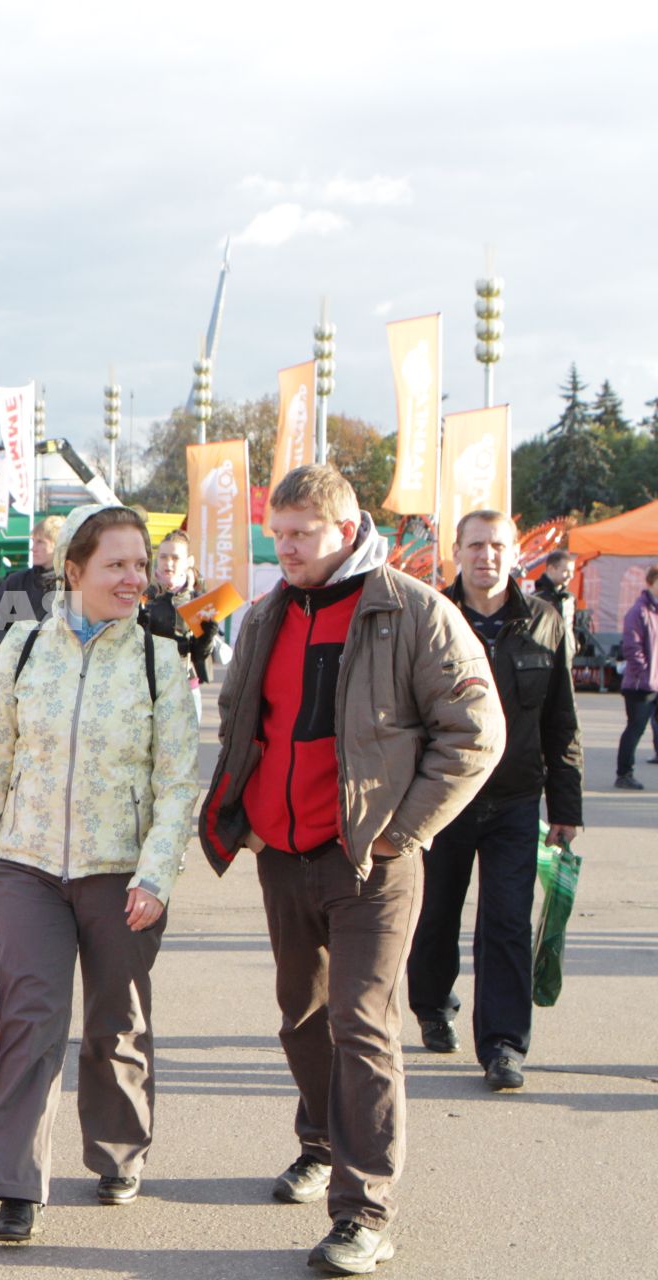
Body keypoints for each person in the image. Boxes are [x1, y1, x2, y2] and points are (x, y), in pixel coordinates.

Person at [199, 464, 502, 1276]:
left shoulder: (410, 609)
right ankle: (322, 1144)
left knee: (362, 1024)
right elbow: (240, 720)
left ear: (346, 528)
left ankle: (364, 1212)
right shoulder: (266, 613)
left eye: (300, 534)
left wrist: (407, 829)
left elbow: (475, 732)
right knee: (300, 1016)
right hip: (282, 856)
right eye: (277, 533)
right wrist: (244, 817)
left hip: (373, 859)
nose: (285, 548)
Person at [0, 505, 199, 1244]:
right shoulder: (24, 650)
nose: (133, 578)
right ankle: (18, 1186)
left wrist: (155, 876)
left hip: (122, 875)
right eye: (116, 564)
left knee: (117, 1022)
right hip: (27, 867)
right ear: (76, 571)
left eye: (140, 565)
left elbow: (177, 784)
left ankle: (118, 1153)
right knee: (31, 1021)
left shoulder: (160, 660)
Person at [408, 511, 583, 1093]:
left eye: (498, 546)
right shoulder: (430, 616)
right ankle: (432, 1005)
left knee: (506, 922)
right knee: (435, 916)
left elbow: (562, 720)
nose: (487, 556)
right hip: (443, 795)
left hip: (514, 800)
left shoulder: (546, 622)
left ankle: (504, 1045)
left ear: (515, 556)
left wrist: (566, 807)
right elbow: (404, 716)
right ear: (457, 551)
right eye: (476, 545)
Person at [140, 531, 221, 718]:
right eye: (163, 557)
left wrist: (208, 634)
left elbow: (200, 655)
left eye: (175, 558)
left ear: (188, 561)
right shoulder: (143, 594)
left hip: (186, 686)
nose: (168, 563)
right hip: (147, 688)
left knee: (185, 745)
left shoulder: (197, 599)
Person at [0, 514, 65, 650]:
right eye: (33, 541)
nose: (32, 548)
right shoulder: (16, 582)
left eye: (40, 542)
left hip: (60, 667)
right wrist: (15, 651)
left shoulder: (73, 585)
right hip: (20, 666)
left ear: (58, 545)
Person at [616, 566, 658, 788]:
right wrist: (644, 674)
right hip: (640, 685)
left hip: (655, 682)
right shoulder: (639, 611)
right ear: (650, 584)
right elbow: (632, 648)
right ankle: (624, 773)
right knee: (635, 728)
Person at [532, 549, 576, 639]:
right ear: (551, 569)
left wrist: (574, 645)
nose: (570, 576)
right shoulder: (537, 599)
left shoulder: (568, 599)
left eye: (572, 572)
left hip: (565, 652)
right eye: (565, 571)